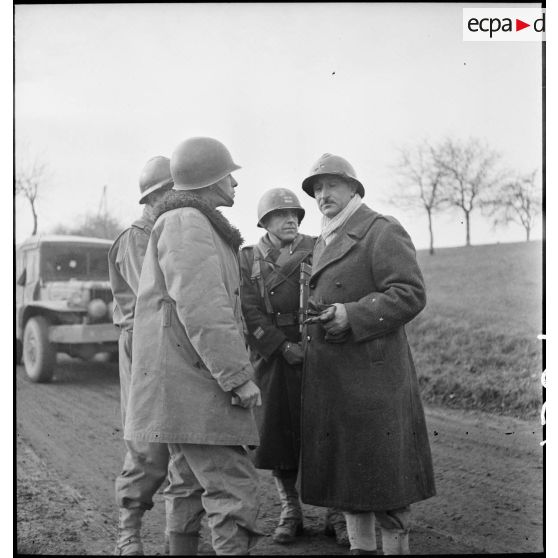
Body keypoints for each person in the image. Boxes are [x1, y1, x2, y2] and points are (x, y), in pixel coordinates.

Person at [124, 137, 263, 556]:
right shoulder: (188, 222)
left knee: (186, 482)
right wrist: (238, 378)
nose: (236, 184)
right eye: (229, 175)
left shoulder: (188, 222)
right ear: (209, 179)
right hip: (198, 383)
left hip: (185, 382)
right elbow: (203, 308)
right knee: (232, 489)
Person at [298, 153, 436, 555]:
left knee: (387, 487)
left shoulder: (380, 229)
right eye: (317, 189)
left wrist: (352, 314)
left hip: (375, 380)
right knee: (350, 486)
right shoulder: (324, 238)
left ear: (354, 189)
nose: (323, 195)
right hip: (336, 379)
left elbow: (410, 294)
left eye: (331, 185)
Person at [239, 188, 315, 544]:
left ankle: (337, 514)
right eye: (280, 215)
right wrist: (282, 347)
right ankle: (291, 510)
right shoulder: (249, 258)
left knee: (323, 433)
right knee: (278, 438)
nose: (290, 220)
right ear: (264, 221)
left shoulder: (319, 248)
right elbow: (248, 311)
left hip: (317, 351)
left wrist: (310, 344)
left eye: (295, 215)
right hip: (272, 357)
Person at [108, 156, 174, 555]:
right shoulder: (137, 237)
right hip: (143, 340)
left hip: (169, 340)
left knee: (182, 437)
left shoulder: (168, 231)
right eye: (170, 192)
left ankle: (177, 532)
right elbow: (155, 295)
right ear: (155, 196)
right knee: (146, 440)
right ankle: (128, 532)